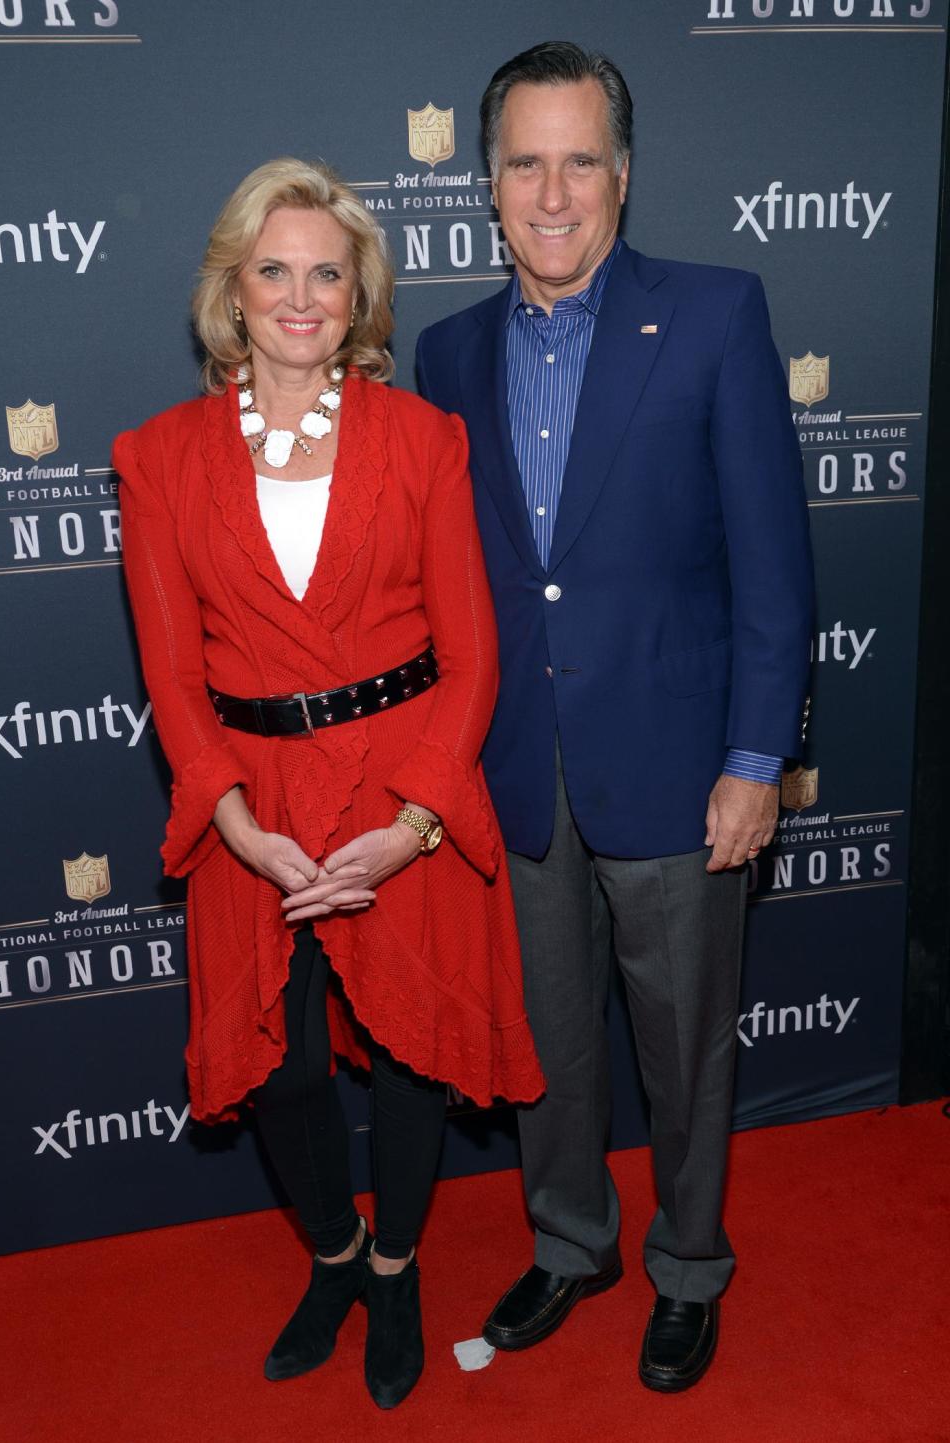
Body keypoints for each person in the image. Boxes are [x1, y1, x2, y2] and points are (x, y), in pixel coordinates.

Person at [113, 157, 543, 1412]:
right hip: (252, 801)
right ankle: (339, 1256)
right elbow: (172, 676)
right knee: (289, 1069)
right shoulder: (158, 459)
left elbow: (472, 657)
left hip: (403, 784)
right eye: (273, 272)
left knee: (412, 1057)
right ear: (232, 295)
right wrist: (233, 823)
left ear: (358, 295)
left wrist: (414, 825)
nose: (301, 297)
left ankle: (400, 1269)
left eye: (326, 273)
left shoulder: (422, 440)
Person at [416, 42, 814, 1392]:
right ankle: (572, 1236)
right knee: (551, 1040)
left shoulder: (713, 314)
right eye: (525, 161)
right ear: (486, 183)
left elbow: (774, 559)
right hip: (521, 769)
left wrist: (757, 756)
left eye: (581, 158)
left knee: (685, 1044)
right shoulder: (447, 350)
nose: (553, 191)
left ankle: (689, 1263)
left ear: (624, 176)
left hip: (677, 762)